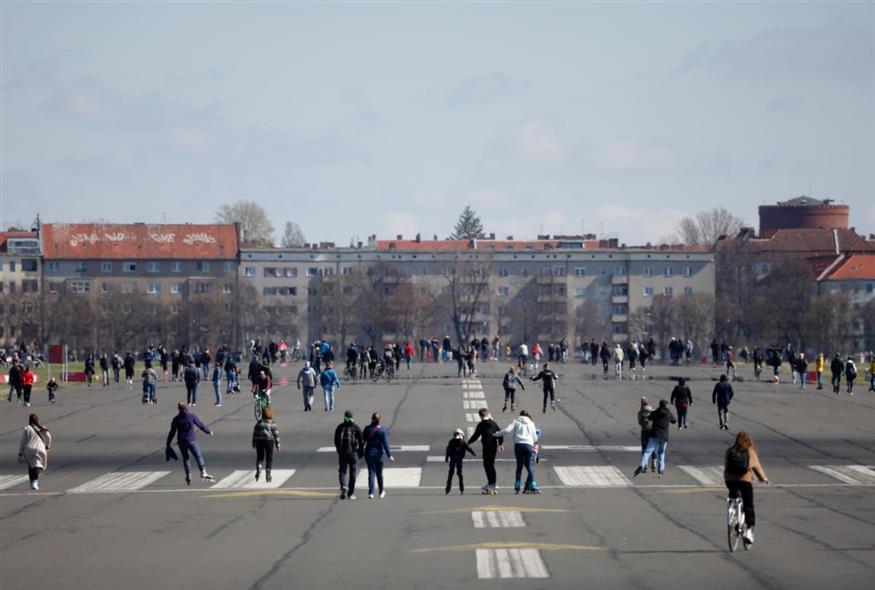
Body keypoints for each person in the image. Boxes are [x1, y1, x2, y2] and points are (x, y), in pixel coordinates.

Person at [724, 431, 768, 547]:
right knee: (748, 504)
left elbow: (726, 465)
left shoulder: (729, 451)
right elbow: (756, 466)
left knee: (733, 495)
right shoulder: (750, 451)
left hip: (730, 480)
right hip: (744, 481)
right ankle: (748, 530)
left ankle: (732, 512)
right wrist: (763, 478)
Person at [165, 402, 215, 485]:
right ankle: (203, 472)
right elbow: (200, 424)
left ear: (179, 409)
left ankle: (188, 475)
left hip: (181, 442)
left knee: (186, 458)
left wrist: (168, 444)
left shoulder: (176, 419)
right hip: (191, 440)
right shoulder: (191, 416)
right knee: (198, 456)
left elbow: (172, 432)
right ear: (186, 407)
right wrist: (208, 431)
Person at [494, 410, 540, 494]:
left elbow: (507, 430)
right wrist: (535, 444)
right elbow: (535, 437)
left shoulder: (516, 421)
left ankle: (517, 486)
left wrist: (496, 434)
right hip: (528, 445)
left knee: (519, 466)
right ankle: (533, 484)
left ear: (520, 415)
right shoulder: (531, 423)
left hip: (518, 445)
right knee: (529, 466)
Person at [633, 399, 676, 477]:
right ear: (666, 405)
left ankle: (641, 465)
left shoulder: (655, 412)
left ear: (659, 405)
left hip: (654, 434)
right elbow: (674, 421)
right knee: (661, 453)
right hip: (663, 436)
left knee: (647, 451)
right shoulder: (668, 412)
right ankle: (660, 471)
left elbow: (649, 418)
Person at [468, 408, 504, 494]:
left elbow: (476, 435)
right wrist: (501, 444)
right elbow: (500, 433)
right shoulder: (493, 423)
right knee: (491, 464)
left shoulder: (481, 424)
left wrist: (468, 443)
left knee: (487, 464)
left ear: (480, 415)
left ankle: (492, 483)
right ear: (487, 414)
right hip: (494, 446)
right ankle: (492, 482)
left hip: (487, 446)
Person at [362, 412, 395, 498]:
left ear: (371, 419)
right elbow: (385, 444)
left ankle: (371, 493)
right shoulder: (382, 430)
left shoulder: (367, 429)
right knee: (379, 473)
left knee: (371, 472)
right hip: (379, 454)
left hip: (369, 453)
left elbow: (363, 442)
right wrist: (389, 455)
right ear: (379, 420)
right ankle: (381, 491)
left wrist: (360, 452)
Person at [335, 410, 364, 499]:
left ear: (344, 417)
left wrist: (339, 450)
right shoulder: (356, 427)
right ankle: (350, 493)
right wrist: (360, 452)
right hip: (353, 453)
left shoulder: (340, 427)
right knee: (353, 473)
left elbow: (336, 440)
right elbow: (361, 442)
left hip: (343, 453)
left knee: (342, 471)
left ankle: (343, 486)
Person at [18, 414, 52, 490]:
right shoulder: (42, 428)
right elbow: (48, 437)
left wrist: (20, 452)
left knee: (30, 466)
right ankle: (35, 481)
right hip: (39, 449)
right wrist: (47, 446)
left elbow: (22, 441)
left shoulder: (27, 428)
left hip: (28, 449)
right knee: (37, 465)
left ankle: (31, 482)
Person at [252, 406, 280, 482]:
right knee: (269, 458)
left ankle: (259, 468)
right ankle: (268, 474)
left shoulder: (259, 423)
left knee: (260, 457)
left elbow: (255, 433)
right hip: (269, 441)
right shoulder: (272, 423)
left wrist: (254, 442)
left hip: (259, 441)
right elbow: (276, 434)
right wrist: (278, 444)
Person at [445, 428, 476, 494]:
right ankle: (461, 488)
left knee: (450, 473)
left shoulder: (451, 441)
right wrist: (473, 453)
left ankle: (448, 488)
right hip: (459, 459)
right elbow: (468, 448)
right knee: (460, 474)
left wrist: (447, 458)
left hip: (452, 459)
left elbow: (448, 450)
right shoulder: (463, 442)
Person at [637, 397, 656, 473]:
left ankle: (645, 465)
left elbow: (639, 423)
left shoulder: (640, 412)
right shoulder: (653, 411)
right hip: (652, 431)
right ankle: (654, 465)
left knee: (644, 448)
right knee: (652, 447)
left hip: (644, 431)